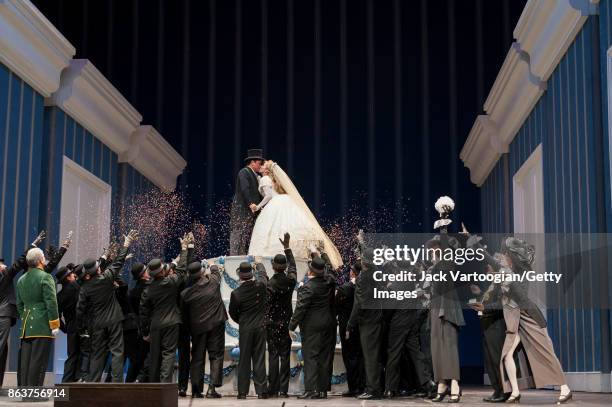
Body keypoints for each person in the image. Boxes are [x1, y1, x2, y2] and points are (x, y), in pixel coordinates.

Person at [470, 235, 572, 404]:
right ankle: (515, 392)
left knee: (547, 353)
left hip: (530, 319)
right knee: (507, 355)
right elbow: (505, 303)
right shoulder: (508, 274)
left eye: (506, 256)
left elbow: (516, 299)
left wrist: (477, 245)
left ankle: (565, 388)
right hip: (516, 322)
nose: (503, 259)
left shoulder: (518, 275)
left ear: (513, 258)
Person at [247, 160, 343, 269]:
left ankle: (271, 265)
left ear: (267, 170)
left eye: (264, 165)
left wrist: (257, 207)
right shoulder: (275, 181)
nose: (262, 165)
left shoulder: (265, 179)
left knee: (271, 231)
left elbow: (268, 195)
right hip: (287, 201)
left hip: (275, 204)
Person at [76, 230, 138, 382]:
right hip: (114, 320)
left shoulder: (85, 288)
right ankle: (116, 382)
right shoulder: (107, 277)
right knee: (117, 351)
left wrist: (82, 328)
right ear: (98, 269)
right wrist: (126, 244)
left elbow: (80, 310)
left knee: (97, 353)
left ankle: (93, 381)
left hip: (97, 324)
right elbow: (118, 262)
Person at [139, 233, 192, 383]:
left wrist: (145, 332)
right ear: (162, 271)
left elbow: (143, 312)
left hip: (155, 325)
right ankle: (164, 385)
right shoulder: (170, 282)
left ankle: (154, 386)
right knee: (168, 354)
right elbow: (181, 270)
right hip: (172, 322)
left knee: (155, 355)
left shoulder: (147, 290)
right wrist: (183, 249)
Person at [383, 260, 436, 399]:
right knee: (415, 353)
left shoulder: (396, 283)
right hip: (412, 321)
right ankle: (428, 383)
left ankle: (390, 388)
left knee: (394, 354)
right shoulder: (410, 282)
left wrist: (386, 321)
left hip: (398, 323)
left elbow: (390, 308)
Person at [289, 251, 337, 400]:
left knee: (311, 357)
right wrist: (323, 257)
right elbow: (330, 271)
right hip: (329, 325)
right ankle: (322, 390)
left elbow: (301, 308)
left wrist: (291, 326)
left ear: (310, 271)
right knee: (325, 357)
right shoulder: (330, 281)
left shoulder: (308, 287)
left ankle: (311, 390)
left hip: (312, 327)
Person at [15, 247, 60, 393]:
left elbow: (20, 305)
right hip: (42, 324)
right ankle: (34, 393)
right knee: (38, 361)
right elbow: (51, 303)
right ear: (41, 260)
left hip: (27, 325)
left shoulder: (21, 280)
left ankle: (24, 391)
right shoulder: (46, 277)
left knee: (26, 362)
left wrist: (25, 317)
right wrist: (54, 324)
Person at [180, 260, 227, 399]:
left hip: (198, 328)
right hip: (216, 325)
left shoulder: (186, 294)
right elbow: (216, 271)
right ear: (201, 271)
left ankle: (195, 389)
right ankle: (212, 389)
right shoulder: (213, 281)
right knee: (216, 355)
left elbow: (184, 316)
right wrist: (212, 264)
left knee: (197, 358)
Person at [346, 232, 384, 400]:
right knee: (374, 355)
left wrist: (350, 324)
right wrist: (361, 242)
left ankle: (372, 389)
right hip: (378, 318)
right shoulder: (376, 272)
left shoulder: (362, 279)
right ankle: (375, 387)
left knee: (370, 357)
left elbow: (358, 304)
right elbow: (368, 254)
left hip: (368, 322)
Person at [427, 234, 464, 403]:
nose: (434, 250)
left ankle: (455, 384)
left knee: (450, 347)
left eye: (437, 246)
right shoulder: (433, 266)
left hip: (447, 308)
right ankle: (441, 384)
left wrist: (443, 221)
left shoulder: (448, 263)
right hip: (435, 308)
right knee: (436, 348)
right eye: (433, 247)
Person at [228, 259, 269, 399]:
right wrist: (258, 263)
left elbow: (232, 313)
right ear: (252, 274)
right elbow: (263, 274)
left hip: (246, 328)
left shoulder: (236, 293)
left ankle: (242, 392)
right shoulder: (261, 285)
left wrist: (243, 321)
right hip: (260, 327)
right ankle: (262, 391)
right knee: (259, 358)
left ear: (240, 276)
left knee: (244, 359)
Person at [265, 233, 297, 398]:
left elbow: (267, 305)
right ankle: (284, 390)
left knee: (273, 355)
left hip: (272, 323)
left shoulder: (270, 284)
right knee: (285, 356)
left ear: (273, 266)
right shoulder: (291, 281)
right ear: (284, 267)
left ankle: (273, 388)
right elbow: (293, 267)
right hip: (286, 323)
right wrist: (287, 248)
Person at [335, 262, 365, 397]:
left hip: (347, 326)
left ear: (353, 273)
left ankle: (354, 387)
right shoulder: (365, 287)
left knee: (349, 357)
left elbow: (336, 306)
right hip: (361, 326)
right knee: (360, 356)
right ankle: (362, 385)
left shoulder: (344, 289)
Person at [230, 149, 265, 255]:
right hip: (241, 210)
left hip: (250, 212)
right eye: (259, 163)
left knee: (244, 237)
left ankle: (241, 258)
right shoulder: (244, 172)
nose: (260, 166)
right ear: (253, 162)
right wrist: (250, 203)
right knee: (237, 235)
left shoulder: (256, 175)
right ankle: (233, 257)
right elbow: (245, 188)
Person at [56, 265, 81, 382]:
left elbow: (55, 315)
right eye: (71, 274)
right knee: (83, 354)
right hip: (81, 325)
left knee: (71, 355)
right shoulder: (76, 286)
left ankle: (65, 383)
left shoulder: (59, 296)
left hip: (71, 326)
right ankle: (75, 381)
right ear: (67, 278)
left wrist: (64, 328)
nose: (74, 275)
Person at [126, 262, 150, 382]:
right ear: (143, 275)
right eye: (146, 270)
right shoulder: (148, 288)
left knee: (137, 359)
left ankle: (130, 382)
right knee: (146, 358)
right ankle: (140, 381)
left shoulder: (133, 291)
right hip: (147, 328)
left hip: (137, 328)